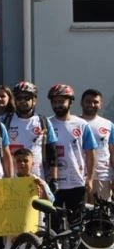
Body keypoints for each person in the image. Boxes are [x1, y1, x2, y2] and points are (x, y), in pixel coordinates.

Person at [48, 84, 97, 213]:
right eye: (54, 102)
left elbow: (90, 153)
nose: (57, 105)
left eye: (61, 101)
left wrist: (90, 179)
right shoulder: (46, 123)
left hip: (76, 181)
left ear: (70, 102)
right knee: (54, 220)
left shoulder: (82, 124)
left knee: (76, 219)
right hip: (53, 182)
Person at [5, 81, 58, 183]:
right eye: (19, 98)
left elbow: (52, 152)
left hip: (38, 177)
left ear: (34, 100)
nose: (22, 101)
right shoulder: (6, 121)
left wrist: (54, 179)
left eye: (27, 98)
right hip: (13, 179)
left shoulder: (43, 121)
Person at [80, 89, 114, 201]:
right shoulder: (74, 123)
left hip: (102, 177)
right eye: (88, 101)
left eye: (95, 102)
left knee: (102, 211)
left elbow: (112, 153)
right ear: (81, 103)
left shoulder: (108, 125)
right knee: (79, 211)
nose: (92, 105)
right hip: (78, 178)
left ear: (100, 104)